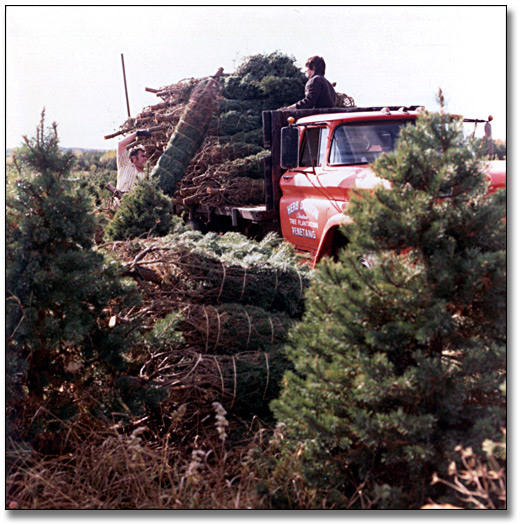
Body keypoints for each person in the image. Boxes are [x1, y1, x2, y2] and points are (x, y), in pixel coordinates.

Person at [116, 129, 151, 193]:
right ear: (134, 158)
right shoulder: (125, 165)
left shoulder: (147, 175)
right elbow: (121, 144)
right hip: (120, 201)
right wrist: (137, 133)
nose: (145, 158)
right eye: (142, 156)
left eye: (145, 156)